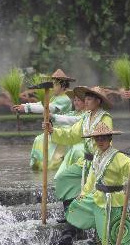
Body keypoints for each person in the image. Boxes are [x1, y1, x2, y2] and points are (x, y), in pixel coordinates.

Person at [48, 122, 130, 245]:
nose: (100, 141)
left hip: (115, 201)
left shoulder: (119, 157)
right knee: (78, 209)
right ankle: (69, 234)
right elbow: (92, 177)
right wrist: (84, 192)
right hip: (98, 198)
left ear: (110, 138)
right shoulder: (96, 155)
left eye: (103, 138)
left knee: (119, 235)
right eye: (97, 139)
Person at [47, 86, 114, 219]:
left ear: (98, 101)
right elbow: (72, 134)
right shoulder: (86, 117)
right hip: (85, 162)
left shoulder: (105, 118)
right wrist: (52, 131)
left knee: (90, 192)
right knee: (63, 178)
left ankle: (79, 224)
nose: (86, 102)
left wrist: (101, 162)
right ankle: (69, 214)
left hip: (99, 162)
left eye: (89, 99)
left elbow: (106, 141)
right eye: (86, 99)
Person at [14, 69, 76, 170]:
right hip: (52, 129)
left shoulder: (64, 99)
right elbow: (42, 104)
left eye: (55, 85)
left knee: (51, 157)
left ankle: (53, 167)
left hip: (63, 130)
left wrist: (27, 108)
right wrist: (24, 106)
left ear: (63, 86)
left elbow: (48, 107)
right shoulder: (54, 97)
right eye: (53, 85)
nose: (52, 88)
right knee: (39, 139)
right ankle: (40, 167)